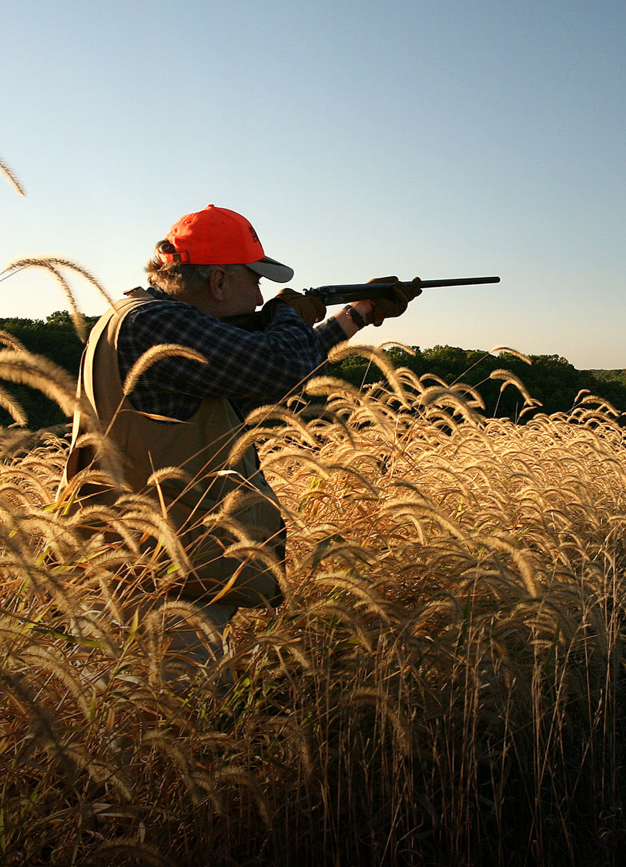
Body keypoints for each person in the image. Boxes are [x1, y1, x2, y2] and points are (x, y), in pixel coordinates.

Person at [62, 204, 419, 667]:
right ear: (219, 282)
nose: (258, 299)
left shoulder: (139, 319)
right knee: (170, 725)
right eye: (255, 282)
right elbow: (278, 364)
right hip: (153, 590)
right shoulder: (152, 323)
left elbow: (263, 380)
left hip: (155, 574)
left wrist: (357, 313)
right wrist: (289, 314)